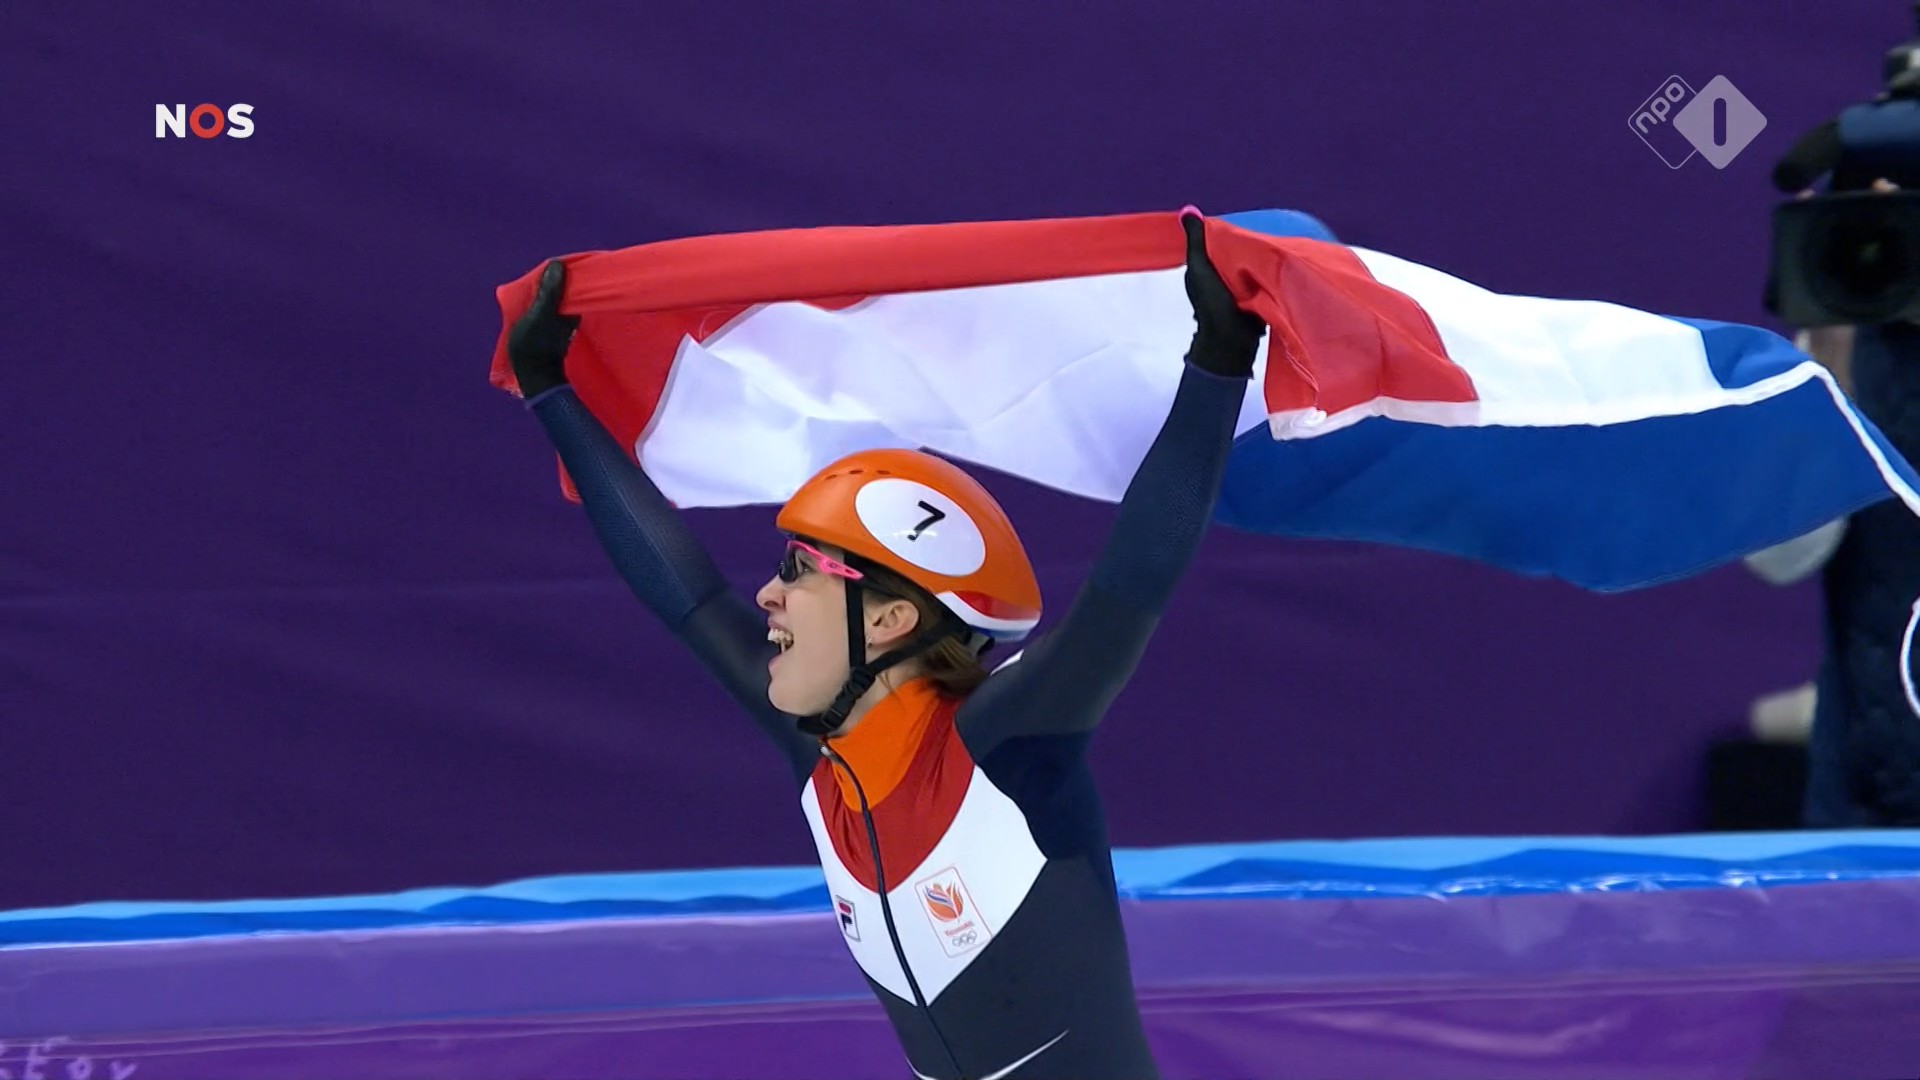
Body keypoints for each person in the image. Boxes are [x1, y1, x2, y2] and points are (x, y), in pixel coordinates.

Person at [505, 213, 1265, 1080]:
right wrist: (549, 390)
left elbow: (1130, 585)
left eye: (799, 570)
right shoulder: (824, 755)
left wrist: (1218, 359)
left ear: (891, 619)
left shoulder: (1004, 747)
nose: (766, 596)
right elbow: (686, 593)